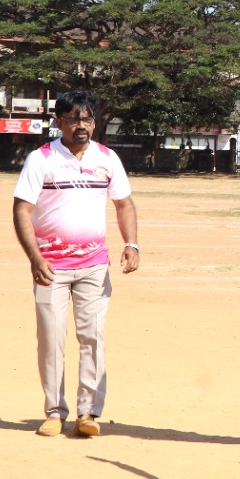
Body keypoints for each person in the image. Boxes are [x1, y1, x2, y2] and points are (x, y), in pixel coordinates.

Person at [12, 91, 140, 437]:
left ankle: (88, 413)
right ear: (59, 122)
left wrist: (131, 244)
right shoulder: (41, 159)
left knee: (92, 337)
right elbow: (22, 210)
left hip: (94, 265)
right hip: (50, 267)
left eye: (87, 119)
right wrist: (35, 257)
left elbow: (124, 204)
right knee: (51, 339)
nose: (81, 125)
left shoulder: (107, 158)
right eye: (73, 119)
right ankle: (55, 412)